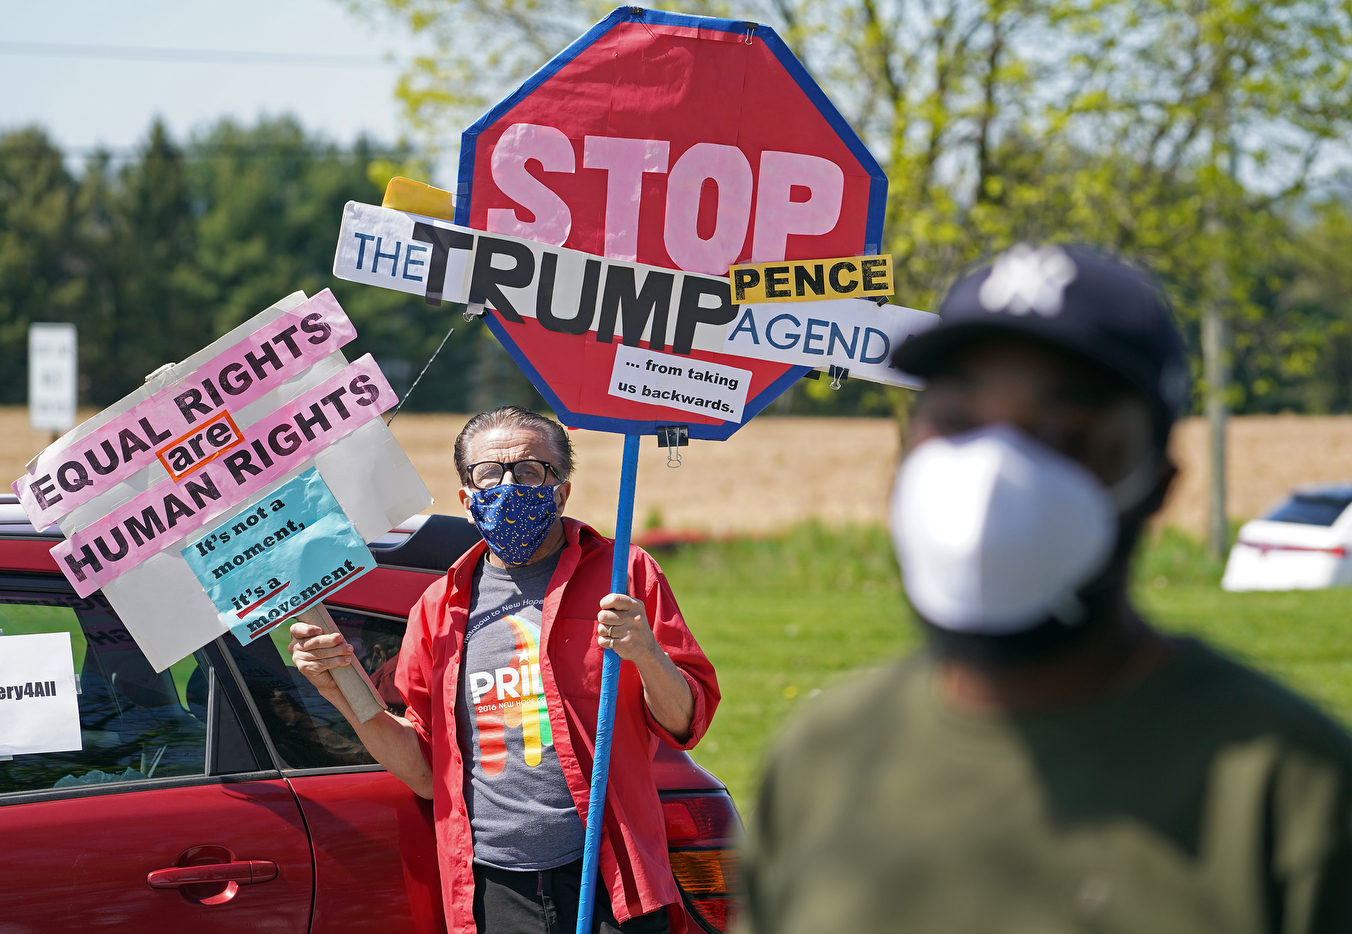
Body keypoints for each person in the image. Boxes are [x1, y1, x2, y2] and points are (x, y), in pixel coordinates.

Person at [737, 244, 1352, 933]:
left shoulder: (1286, 789)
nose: (994, 478)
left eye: (1066, 433)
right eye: (960, 422)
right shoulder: (823, 761)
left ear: (1158, 485)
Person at [290, 406, 718, 934]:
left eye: (531, 470)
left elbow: (686, 723)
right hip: (494, 887)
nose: (510, 485)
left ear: (560, 490)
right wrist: (340, 693)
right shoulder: (436, 607)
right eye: (489, 474)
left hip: (609, 876)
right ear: (467, 498)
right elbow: (427, 772)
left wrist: (647, 654)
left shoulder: (625, 575)